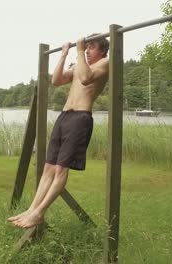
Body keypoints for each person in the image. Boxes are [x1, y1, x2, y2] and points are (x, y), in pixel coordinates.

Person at [7, 34, 109, 228]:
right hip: (64, 117)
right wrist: (63, 54)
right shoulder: (79, 64)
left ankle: (39, 213)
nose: (87, 50)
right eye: (86, 47)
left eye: (91, 47)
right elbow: (57, 80)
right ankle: (32, 209)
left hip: (80, 118)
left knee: (61, 169)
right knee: (49, 168)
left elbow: (86, 79)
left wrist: (78, 50)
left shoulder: (105, 63)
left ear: (102, 50)